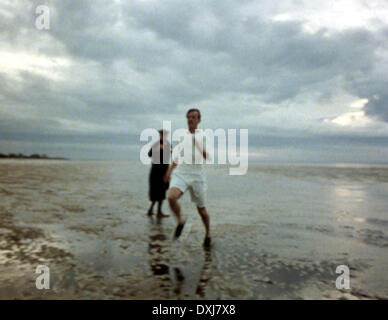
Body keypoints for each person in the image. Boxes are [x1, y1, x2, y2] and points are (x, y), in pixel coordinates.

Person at [164, 108, 211, 249]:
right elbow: (177, 156)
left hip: (197, 176)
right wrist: (169, 171)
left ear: (199, 120)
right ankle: (180, 221)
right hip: (182, 173)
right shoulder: (182, 136)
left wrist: (198, 145)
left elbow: (206, 156)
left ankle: (208, 233)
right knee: (171, 197)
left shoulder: (203, 136)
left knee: (202, 210)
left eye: (194, 117)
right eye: (189, 117)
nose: (190, 120)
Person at [147, 130, 171, 217]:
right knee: (155, 191)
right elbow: (149, 154)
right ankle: (152, 210)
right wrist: (157, 149)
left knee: (162, 191)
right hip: (155, 171)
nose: (163, 137)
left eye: (165, 135)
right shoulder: (156, 144)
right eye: (162, 135)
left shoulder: (167, 144)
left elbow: (170, 154)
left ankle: (158, 211)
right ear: (160, 135)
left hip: (164, 171)